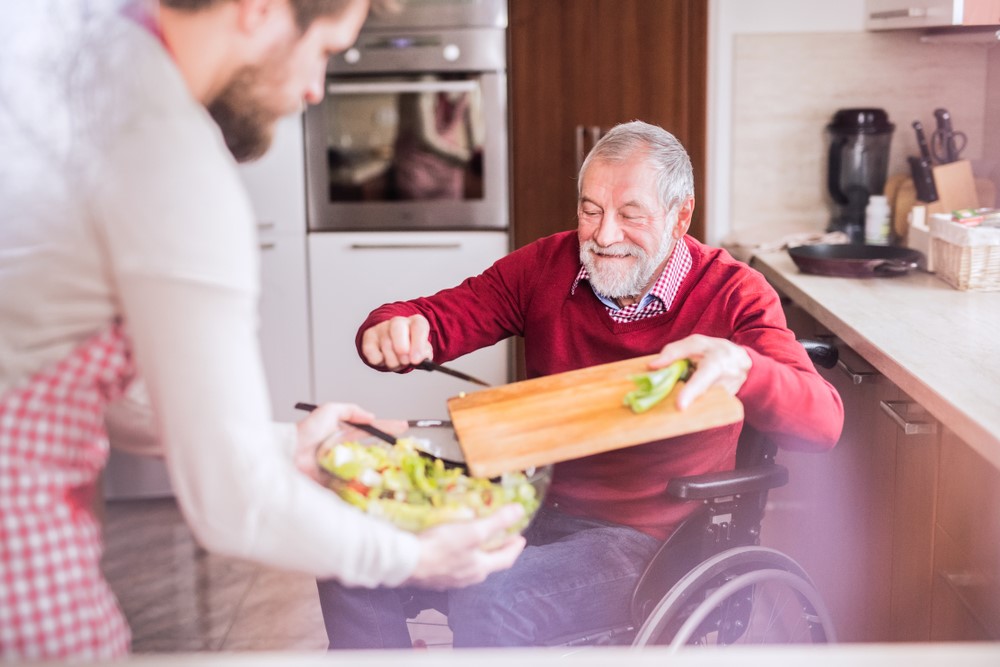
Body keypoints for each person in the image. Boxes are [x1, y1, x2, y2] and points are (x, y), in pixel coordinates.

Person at [0, 0, 525, 660]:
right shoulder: (170, 157)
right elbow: (232, 503)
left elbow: (76, 379)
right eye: (325, 51)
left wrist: (288, 445)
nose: (316, 89)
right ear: (258, 10)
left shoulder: (67, 47)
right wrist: (417, 554)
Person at [316, 120, 845, 648]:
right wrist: (396, 327)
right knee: (346, 544)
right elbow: (436, 315)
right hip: (532, 503)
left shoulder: (734, 293)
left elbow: (823, 422)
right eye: (590, 210)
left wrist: (743, 368)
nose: (603, 234)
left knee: (490, 596)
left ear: (680, 215)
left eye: (630, 215)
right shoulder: (545, 266)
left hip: (649, 540)